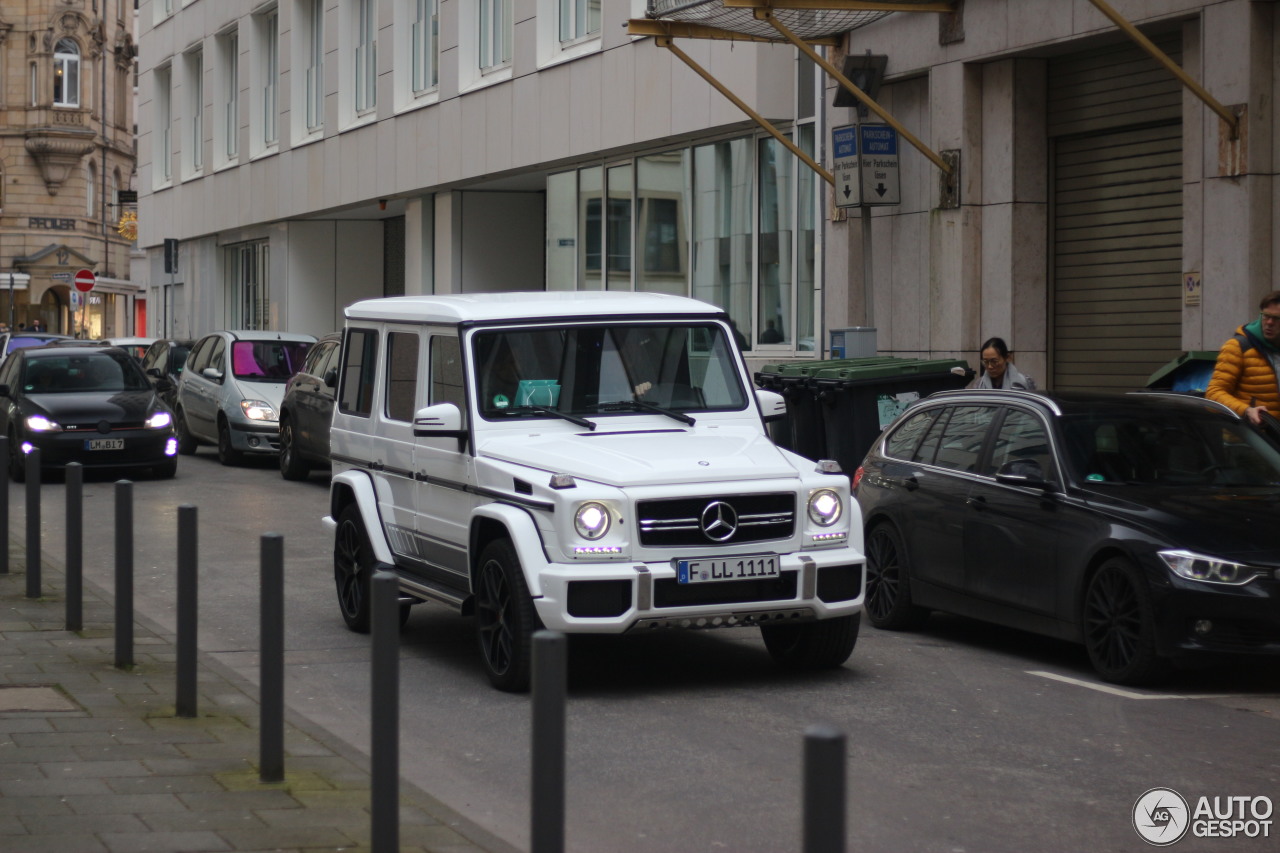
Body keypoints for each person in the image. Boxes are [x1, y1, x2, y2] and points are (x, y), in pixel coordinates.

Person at [1205, 290, 1280, 425]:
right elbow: (1213, 394)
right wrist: (1247, 410)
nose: (1269, 322)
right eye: (1265, 316)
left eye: (1276, 318)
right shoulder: (1237, 347)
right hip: (1246, 438)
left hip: (1275, 439)